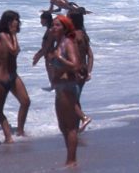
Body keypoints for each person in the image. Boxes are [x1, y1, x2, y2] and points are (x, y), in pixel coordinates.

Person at [48, 15, 81, 166]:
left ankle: (71, 160)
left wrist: (59, 59)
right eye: (53, 25)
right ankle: (70, 159)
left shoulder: (68, 42)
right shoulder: (58, 43)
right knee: (63, 126)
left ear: (65, 28)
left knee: (71, 126)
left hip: (68, 87)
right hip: (61, 87)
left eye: (57, 25)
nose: (54, 28)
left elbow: (75, 65)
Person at [0, 11, 30, 137]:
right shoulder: (3, 35)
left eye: (17, 19)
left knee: (25, 101)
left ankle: (20, 130)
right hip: (3, 76)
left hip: (13, 74)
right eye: (13, 19)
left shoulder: (11, 35)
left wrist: (14, 35)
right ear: (7, 22)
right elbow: (14, 51)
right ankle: (5, 133)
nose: (16, 21)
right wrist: (13, 34)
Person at [68, 11, 93, 132]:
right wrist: (89, 72)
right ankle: (77, 127)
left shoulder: (72, 36)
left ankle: (84, 118)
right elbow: (90, 55)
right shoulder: (83, 34)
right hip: (83, 71)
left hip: (75, 71)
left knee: (69, 100)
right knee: (75, 99)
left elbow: (75, 55)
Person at [32, 12, 56, 90]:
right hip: (49, 54)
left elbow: (47, 46)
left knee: (52, 76)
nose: (40, 22)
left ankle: (55, 91)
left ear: (45, 20)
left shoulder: (50, 30)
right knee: (53, 76)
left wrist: (38, 57)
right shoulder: (50, 29)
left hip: (50, 55)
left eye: (41, 20)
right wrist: (38, 53)